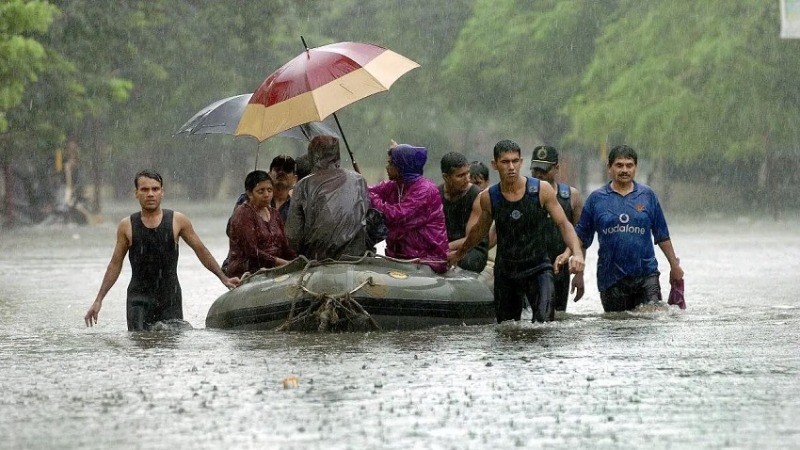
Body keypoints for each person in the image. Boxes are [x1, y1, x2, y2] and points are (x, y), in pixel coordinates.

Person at [448, 139, 585, 323]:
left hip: (538, 270)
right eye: (505, 162)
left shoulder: (541, 190)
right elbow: (479, 232)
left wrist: (577, 253)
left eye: (515, 161)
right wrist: (459, 254)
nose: (511, 167)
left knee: (544, 327)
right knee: (506, 330)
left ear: (521, 162)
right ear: (494, 165)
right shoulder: (488, 197)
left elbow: (564, 224)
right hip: (506, 273)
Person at [84, 170, 239, 331]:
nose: (150, 194)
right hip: (138, 300)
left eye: (155, 189)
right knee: (139, 345)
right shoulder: (127, 225)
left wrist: (224, 278)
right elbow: (115, 264)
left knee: (170, 348)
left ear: (162, 192)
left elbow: (201, 250)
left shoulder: (178, 221)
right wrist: (98, 300)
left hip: (170, 298)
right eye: (144, 190)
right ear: (136, 193)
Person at [574, 145, 684, 312]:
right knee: (618, 327)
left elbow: (662, 236)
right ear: (609, 168)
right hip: (611, 279)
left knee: (652, 319)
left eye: (629, 165)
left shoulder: (648, 196)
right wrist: (579, 274)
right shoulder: (596, 199)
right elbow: (581, 240)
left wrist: (674, 266)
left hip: (647, 275)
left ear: (635, 168)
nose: (624, 170)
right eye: (619, 165)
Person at [369, 143, 449, 273]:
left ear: (401, 166)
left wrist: (372, 198)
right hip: (399, 258)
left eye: (391, 163)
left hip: (427, 260)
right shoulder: (396, 185)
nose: (387, 167)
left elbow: (397, 216)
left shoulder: (425, 190)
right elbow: (368, 190)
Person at [286, 135, 369, 260]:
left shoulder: (303, 186)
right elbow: (367, 217)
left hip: (317, 260)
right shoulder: (359, 180)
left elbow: (293, 235)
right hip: (355, 258)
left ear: (312, 156)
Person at [530, 145, 585, 312]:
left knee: (558, 318)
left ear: (556, 168)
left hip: (560, 266)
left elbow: (580, 237)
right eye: (536, 169)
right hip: (530, 266)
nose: (539, 174)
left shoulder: (571, 196)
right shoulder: (524, 194)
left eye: (544, 170)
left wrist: (579, 274)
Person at [225, 170, 296, 278]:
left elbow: (285, 246)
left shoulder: (275, 214)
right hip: (248, 270)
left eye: (269, 190)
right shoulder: (243, 213)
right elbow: (252, 252)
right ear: (249, 193)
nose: (266, 195)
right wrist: (280, 262)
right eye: (261, 191)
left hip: (275, 268)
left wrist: (297, 261)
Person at [438, 152, 488, 272]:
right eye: (460, 175)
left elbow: (471, 238)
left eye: (467, 173)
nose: (467, 179)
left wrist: (443, 248)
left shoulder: (477, 195)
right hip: (443, 247)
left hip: (471, 250)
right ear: (446, 177)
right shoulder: (436, 194)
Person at [268, 154, 297, 223]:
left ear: (294, 179)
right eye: (277, 169)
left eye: (287, 169)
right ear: (269, 175)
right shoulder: (250, 200)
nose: (281, 172)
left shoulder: (298, 209)